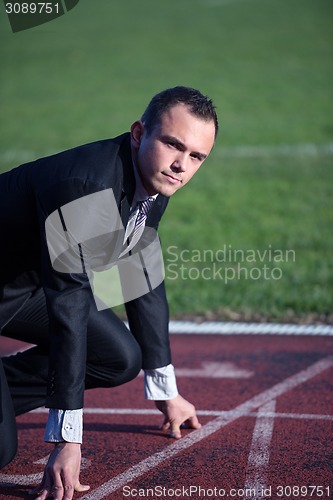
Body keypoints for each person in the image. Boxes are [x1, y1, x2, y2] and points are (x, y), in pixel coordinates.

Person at [0, 86, 218, 499]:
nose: (181, 165)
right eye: (174, 144)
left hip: (22, 287)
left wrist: (165, 391)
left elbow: (141, 275)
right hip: (35, 288)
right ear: (138, 133)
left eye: (196, 156)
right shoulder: (85, 187)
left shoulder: (156, 177)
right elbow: (69, 306)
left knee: (119, 358)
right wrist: (68, 441)